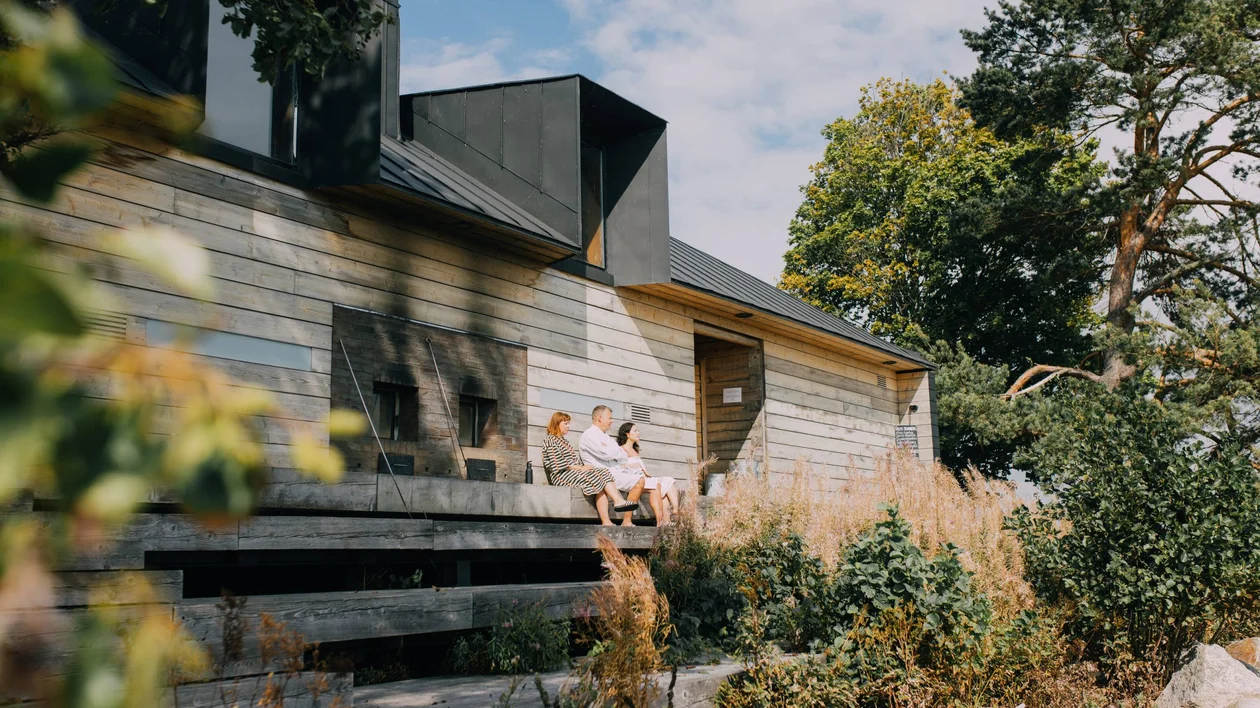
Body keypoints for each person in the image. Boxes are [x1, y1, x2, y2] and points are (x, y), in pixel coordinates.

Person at [541, 412, 640, 526]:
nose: (569, 426)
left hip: (572, 472)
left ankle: (606, 521)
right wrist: (581, 467)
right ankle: (618, 501)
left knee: (602, 475)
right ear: (557, 423)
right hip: (562, 476)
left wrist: (583, 468)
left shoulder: (564, 441)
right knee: (599, 474)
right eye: (566, 423)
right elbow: (556, 464)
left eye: (569, 424)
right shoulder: (550, 440)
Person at [579, 405, 646, 526]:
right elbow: (605, 453)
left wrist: (613, 453)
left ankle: (626, 520)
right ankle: (608, 521)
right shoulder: (589, 435)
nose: (612, 421)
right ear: (600, 418)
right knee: (604, 483)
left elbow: (622, 455)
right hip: (599, 473)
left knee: (640, 480)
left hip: (614, 471)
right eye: (609, 418)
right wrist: (613, 453)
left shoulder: (607, 437)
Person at [616, 422, 679, 526]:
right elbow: (621, 467)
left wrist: (645, 472)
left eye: (638, 431)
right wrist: (637, 467)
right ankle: (662, 519)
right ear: (627, 434)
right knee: (656, 484)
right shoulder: (621, 449)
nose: (638, 433)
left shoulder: (635, 450)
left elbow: (640, 467)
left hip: (642, 477)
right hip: (632, 479)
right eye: (635, 431)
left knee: (668, 481)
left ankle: (674, 511)